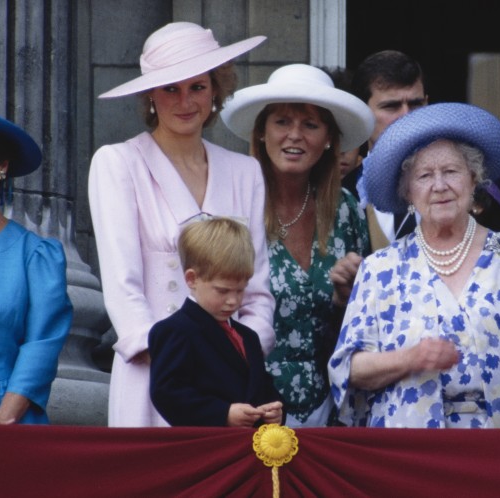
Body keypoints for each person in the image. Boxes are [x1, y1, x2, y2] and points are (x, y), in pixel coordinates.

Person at [328, 103, 500, 428]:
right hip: (407, 456)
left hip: (498, 453)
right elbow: (348, 369)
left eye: (451, 171)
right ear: (408, 192)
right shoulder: (380, 268)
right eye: (425, 176)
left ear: (473, 180)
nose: (439, 185)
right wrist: (410, 359)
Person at [88, 22, 275, 427]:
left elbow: (257, 292)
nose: (185, 101)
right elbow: (123, 286)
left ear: (215, 90)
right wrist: (177, 356)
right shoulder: (118, 163)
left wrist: (241, 355)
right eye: (170, 88)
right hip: (155, 377)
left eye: (197, 86)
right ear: (150, 95)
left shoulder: (246, 172)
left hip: (235, 386)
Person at [221, 64, 373, 427]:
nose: (295, 135)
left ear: (329, 140)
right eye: (282, 122)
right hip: (249, 409)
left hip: (333, 413)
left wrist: (346, 299)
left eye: (310, 124)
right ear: (260, 133)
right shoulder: (234, 206)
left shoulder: (347, 211)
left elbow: (366, 328)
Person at [149, 218, 283, 427]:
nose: (233, 301)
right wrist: (223, 414)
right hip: (206, 447)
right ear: (192, 279)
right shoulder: (174, 330)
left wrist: (272, 410)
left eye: (240, 290)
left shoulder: (248, 337)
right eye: (222, 290)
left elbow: (263, 388)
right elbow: (167, 394)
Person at [0, 117, 73, 424]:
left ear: (1, 166)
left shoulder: (35, 255)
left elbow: (43, 341)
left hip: (8, 418)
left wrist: (7, 415)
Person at [343, 50, 429, 249]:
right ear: (361, 113)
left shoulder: (461, 187)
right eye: (391, 106)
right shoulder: (342, 194)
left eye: (416, 104)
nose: (406, 116)